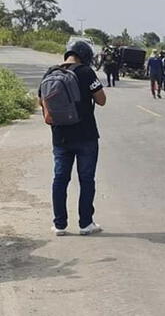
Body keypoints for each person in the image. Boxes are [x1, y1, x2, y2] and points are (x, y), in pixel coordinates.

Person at [39, 41, 106, 236]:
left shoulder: (50, 72)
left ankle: (59, 225)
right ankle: (86, 223)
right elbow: (101, 100)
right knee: (86, 180)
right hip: (86, 136)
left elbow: (40, 101)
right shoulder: (86, 72)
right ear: (85, 56)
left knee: (60, 179)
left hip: (60, 137)